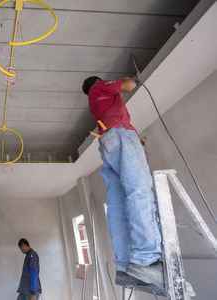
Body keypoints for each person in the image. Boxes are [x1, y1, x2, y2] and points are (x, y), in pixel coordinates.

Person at [81, 77, 164, 289]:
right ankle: (146, 259)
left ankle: (125, 267)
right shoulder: (99, 87)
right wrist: (128, 78)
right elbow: (128, 84)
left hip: (109, 140)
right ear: (97, 82)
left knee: (118, 203)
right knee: (140, 191)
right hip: (120, 134)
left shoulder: (96, 101)